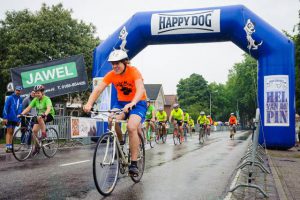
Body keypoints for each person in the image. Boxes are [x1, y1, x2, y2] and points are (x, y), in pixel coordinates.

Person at [83, 49, 147, 176]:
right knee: (111, 119)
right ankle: (121, 142)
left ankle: (133, 164)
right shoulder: (111, 74)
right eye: (113, 63)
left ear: (125, 62)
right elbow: (98, 89)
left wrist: (133, 103)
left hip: (138, 103)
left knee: (131, 126)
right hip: (121, 103)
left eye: (117, 63)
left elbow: (140, 89)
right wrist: (89, 103)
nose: (115, 66)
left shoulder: (133, 71)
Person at [20, 85, 55, 155]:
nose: (37, 94)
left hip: (49, 115)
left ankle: (44, 133)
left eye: (38, 93)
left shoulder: (47, 99)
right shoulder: (35, 99)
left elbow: (49, 108)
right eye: (36, 93)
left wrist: (45, 114)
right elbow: (28, 108)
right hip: (40, 117)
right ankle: (37, 147)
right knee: (33, 131)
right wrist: (21, 114)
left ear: (42, 93)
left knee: (39, 117)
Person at [2, 86, 23, 153]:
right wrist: (5, 117)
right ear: (14, 90)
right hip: (9, 118)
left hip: (16, 118)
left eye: (19, 91)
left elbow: (20, 110)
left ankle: (10, 147)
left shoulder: (20, 99)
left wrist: (19, 120)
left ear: (21, 91)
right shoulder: (10, 98)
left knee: (12, 132)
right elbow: (5, 107)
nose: (18, 92)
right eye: (17, 90)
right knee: (9, 131)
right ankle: (7, 147)